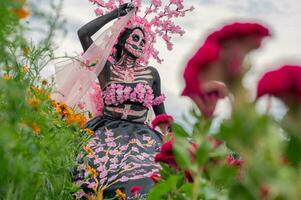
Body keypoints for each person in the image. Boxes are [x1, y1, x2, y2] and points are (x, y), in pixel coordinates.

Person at [73, 3, 169, 199]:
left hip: (141, 137)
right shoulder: (106, 68)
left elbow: (162, 117)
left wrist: (179, 145)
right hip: (104, 132)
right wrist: (116, 15)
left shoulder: (151, 74)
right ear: (123, 39)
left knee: (149, 178)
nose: (140, 43)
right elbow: (83, 33)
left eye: (144, 41)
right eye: (135, 37)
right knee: (89, 173)